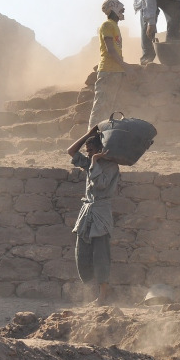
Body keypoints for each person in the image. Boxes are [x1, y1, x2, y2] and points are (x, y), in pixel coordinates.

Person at [67, 125, 121, 305]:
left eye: (91, 150)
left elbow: (101, 186)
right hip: (87, 213)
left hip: (101, 214)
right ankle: (92, 294)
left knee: (101, 254)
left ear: (100, 150)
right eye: (87, 151)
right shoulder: (90, 162)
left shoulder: (111, 166)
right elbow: (71, 151)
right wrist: (87, 135)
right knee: (82, 253)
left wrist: (96, 162)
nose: (88, 154)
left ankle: (103, 296)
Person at [88, 0, 126, 129]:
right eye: (121, 9)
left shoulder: (114, 26)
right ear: (113, 9)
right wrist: (125, 66)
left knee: (108, 108)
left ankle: (101, 139)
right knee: (100, 108)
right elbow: (110, 50)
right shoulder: (107, 25)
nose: (123, 11)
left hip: (115, 71)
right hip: (108, 70)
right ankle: (90, 140)